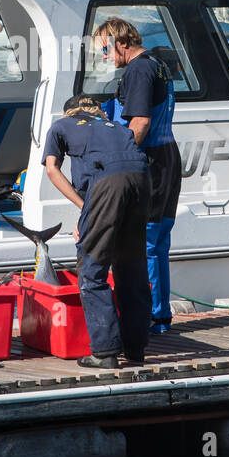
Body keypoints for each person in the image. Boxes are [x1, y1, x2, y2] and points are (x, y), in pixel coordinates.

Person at [43, 95, 152, 369]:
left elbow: (51, 169)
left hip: (108, 183)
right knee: (131, 266)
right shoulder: (114, 125)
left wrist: (84, 207)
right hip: (141, 180)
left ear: (69, 111)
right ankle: (135, 348)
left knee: (92, 268)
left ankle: (104, 352)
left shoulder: (62, 125)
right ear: (98, 110)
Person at [94, 17, 181, 335]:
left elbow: (140, 123)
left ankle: (149, 316)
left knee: (144, 242)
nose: (104, 57)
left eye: (105, 49)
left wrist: (120, 161)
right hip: (168, 156)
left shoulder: (138, 69)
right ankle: (159, 316)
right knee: (157, 242)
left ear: (121, 42)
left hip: (149, 161)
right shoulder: (158, 62)